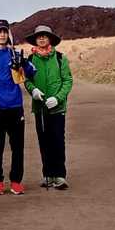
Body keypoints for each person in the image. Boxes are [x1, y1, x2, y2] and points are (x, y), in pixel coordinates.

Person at [0, 18, 34, 196]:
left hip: (15, 107)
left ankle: (16, 181)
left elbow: (31, 72)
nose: (2, 35)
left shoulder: (16, 54)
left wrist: (23, 64)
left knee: (17, 147)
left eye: (5, 31)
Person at [23, 23, 73, 190]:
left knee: (57, 140)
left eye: (45, 36)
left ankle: (59, 175)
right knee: (43, 141)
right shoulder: (30, 60)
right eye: (39, 36)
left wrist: (58, 98)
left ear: (50, 39)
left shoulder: (60, 58)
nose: (42, 38)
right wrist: (33, 90)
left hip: (57, 108)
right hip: (40, 108)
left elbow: (67, 81)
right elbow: (27, 80)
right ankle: (48, 174)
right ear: (35, 40)